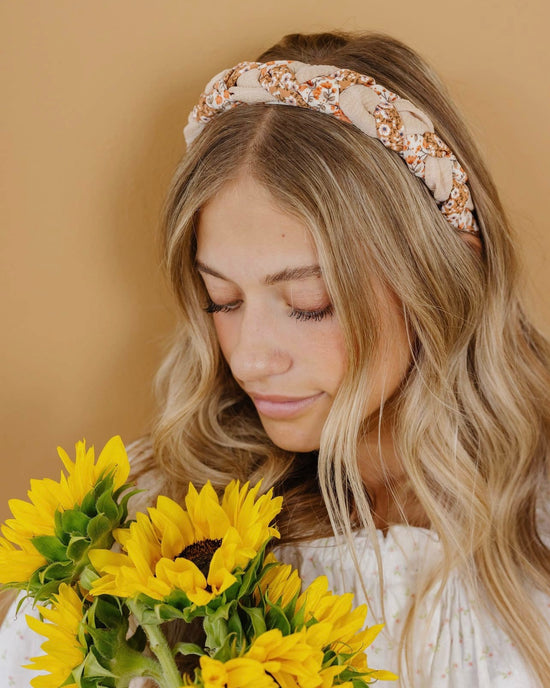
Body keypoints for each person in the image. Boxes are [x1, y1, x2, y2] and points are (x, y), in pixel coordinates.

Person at [1, 30, 549, 687]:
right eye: (222, 300)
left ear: (438, 276)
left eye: (309, 302)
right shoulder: (146, 534)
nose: (250, 361)